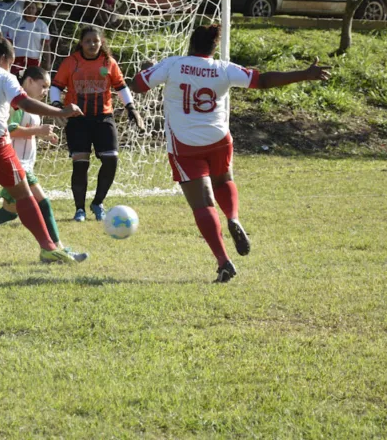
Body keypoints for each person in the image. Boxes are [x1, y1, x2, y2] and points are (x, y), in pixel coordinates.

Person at [130, 25, 331, 283]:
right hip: (218, 138)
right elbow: (264, 80)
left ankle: (224, 261)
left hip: (185, 143)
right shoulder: (224, 68)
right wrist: (304, 74)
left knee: (202, 203)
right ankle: (234, 218)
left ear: (190, 44)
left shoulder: (172, 65)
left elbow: (137, 86)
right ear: (214, 47)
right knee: (223, 181)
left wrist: (149, 67)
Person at [0, 33, 85, 265]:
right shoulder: (4, 77)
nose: (10, 66)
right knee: (24, 195)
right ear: (2, 58)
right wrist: (60, 111)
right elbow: (24, 103)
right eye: (10, 61)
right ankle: (49, 248)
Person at [50, 25, 144, 222]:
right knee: (80, 164)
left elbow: (120, 86)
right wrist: (57, 106)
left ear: (102, 42)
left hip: (103, 118)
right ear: (81, 43)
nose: (92, 44)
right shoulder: (71, 62)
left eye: (96, 40)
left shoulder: (108, 62)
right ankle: (79, 210)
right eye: (87, 41)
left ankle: (98, 202)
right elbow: (56, 86)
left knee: (111, 159)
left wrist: (131, 108)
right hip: (77, 120)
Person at [7, 1, 51, 75]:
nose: (30, 10)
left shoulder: (42, 25)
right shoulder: (15, 23)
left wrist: (48, 62)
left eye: (32, 8)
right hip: (17, 58)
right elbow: (9, 43)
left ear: (36, 10)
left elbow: (46, 45)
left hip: (34, 59)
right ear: (24, 9)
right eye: (28, 8)